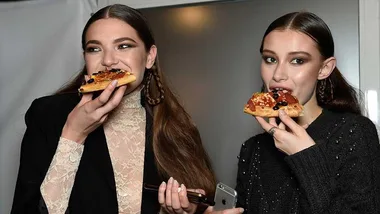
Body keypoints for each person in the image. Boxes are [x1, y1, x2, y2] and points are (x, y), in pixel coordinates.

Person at [11, 4, 216, 214]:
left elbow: (203, 200)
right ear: (85, 58)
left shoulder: (176, 124)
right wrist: (73, 134)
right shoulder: (46, 114)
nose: (108, 61)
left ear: (149, 56)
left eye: (124, 46)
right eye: (95, 49)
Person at [234, 11, 380, 213]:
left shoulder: (354, 133)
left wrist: (306, 157)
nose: (278, 75)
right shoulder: (253, 149)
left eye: (297, 61)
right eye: (270, 59)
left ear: (324, 69)